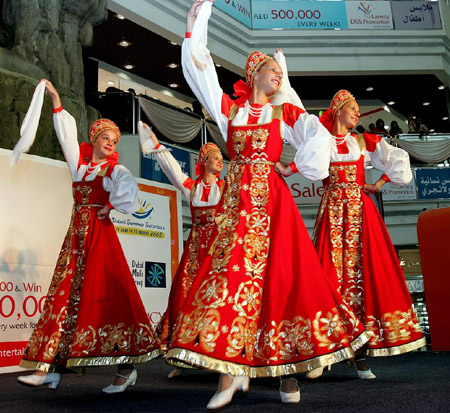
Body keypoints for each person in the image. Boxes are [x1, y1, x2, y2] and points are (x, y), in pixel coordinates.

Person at [165, 1, 369, 409]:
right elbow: (202, 76)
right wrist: (195, 28)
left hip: (273, 205)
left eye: (279, 73)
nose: (278, 75)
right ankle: (229, 373)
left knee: (283, 283)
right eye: (271, 71)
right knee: (230, 283)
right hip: (238, 204)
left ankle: (287, 373)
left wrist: (303, 161)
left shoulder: (285, 111)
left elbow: (317, 133)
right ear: (253, 73)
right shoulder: (232, 110)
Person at [13, 80, 161, 392]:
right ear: (93, 139)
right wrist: (55, 99)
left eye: (114, 139)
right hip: (76, 240)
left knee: (107, 300)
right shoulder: (79, 166)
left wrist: (114, 207)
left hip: (100, 239)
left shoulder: (114, 170)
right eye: (105, 138)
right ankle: (51, 367)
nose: (110, 143)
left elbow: (129, 193)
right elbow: (66, 136)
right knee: (64, 299)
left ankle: (125, 367)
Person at [308, 90, 426, 379]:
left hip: (360, 216)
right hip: (333, 215)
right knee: (328, 276)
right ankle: (324, 351)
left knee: (363, 278)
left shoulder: (362, 141)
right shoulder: (322, 142)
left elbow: (398, 158)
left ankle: (360, 356)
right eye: (352, 108)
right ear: (337, 110)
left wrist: (381, 181)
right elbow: (309, 164)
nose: (357, 113)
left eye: (358, 109)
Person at [138, 122, 225, 378]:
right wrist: (154, 143)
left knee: (216, 301)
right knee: (186, 299)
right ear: (203, 161)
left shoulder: (226, 187)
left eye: (221, 159)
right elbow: (170, 166)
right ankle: (181, 356)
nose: (220, 162)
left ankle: (220, 354)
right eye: (215, 158)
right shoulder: (192, 187)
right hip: (196, 250)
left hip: (218, 252)